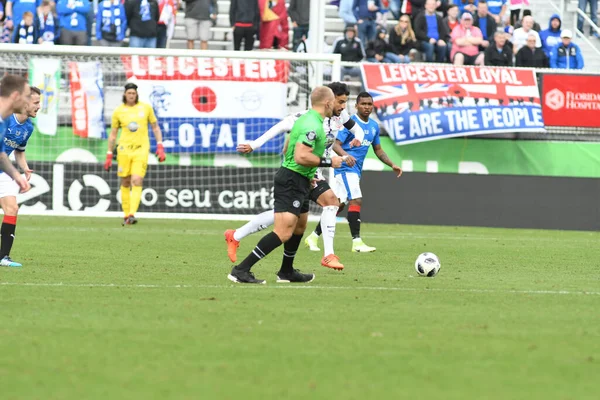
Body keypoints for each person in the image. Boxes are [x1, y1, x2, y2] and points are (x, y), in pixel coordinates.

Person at [226, 82, 364, 271]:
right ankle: (327, 255)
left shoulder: (339, 116)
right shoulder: (306, 119)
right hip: (300, 171)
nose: (343, 107)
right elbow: (281, 130)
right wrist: (255, 145)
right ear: (329, 102)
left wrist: (358, 139)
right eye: (340, 102)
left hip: (310, 171)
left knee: (292, 221)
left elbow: (357, 130)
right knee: (327, 204)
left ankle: (242, 239)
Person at [305, 92, 402, 254]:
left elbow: (378, 149)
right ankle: (356, 242)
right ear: (356, 106)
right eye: (363, 104)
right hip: (345, 168)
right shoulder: (350, 123)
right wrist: (345, 156)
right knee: (356, 200)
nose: (366, 107)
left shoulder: (373, 126)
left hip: (355, 170)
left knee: (338, 205)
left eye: (369, 104)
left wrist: (392, 164)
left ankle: (313, 236)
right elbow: (335, 144)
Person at [104, 83, 166, 225]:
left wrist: (160, 145)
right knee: (125, 181)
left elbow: (155, 127)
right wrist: (109, 154)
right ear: (125, 94)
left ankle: (132, 213)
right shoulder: (119, 111)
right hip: (124, 150)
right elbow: (113, 134)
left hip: (141, 149)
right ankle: (126, 214)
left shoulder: (146, 108)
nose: (131, 95)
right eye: (129, 93)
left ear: (136, 94)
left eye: (134, 93)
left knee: (137, 180)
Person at [0, 87, 40, 268]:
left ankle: (4, 257)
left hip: (4, 170)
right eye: (36, 102)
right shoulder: (5, 118)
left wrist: (24, 168)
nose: (39, 106)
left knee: (12, 208)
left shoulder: (28, 128)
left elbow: (19, 151)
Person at [0, 75, 31, 203]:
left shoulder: (5, 120)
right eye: (27, 96)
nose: (28, 102)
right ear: (16, 96)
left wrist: (16, 176)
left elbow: (1, 155)